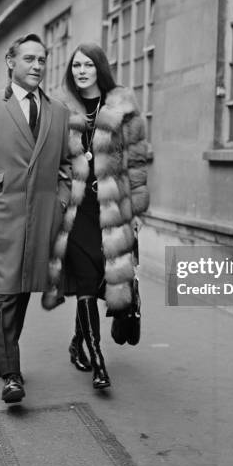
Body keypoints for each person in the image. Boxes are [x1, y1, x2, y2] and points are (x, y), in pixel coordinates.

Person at [0, 33, 71, 404]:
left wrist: (62, 202)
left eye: (42, 60)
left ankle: (4, 356)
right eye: (29, 59)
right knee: (3, 292)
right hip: (1, 214)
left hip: (42, 217)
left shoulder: (59, 112)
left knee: (21, 290)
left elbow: (65, 167)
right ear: (10, 62)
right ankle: (12, 374)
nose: (37, 66)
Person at [47, 43, 149, 390]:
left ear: (100, 68)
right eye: (76, 65)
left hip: (112, 207)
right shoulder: (59, 108)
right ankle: (99, 363)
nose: (81, 70)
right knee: (87, 283)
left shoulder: (123, 105)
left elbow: (136, 162)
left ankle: (78, 342)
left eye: (88, 64)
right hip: (77, 210)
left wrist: (136, 210)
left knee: (106, 279)